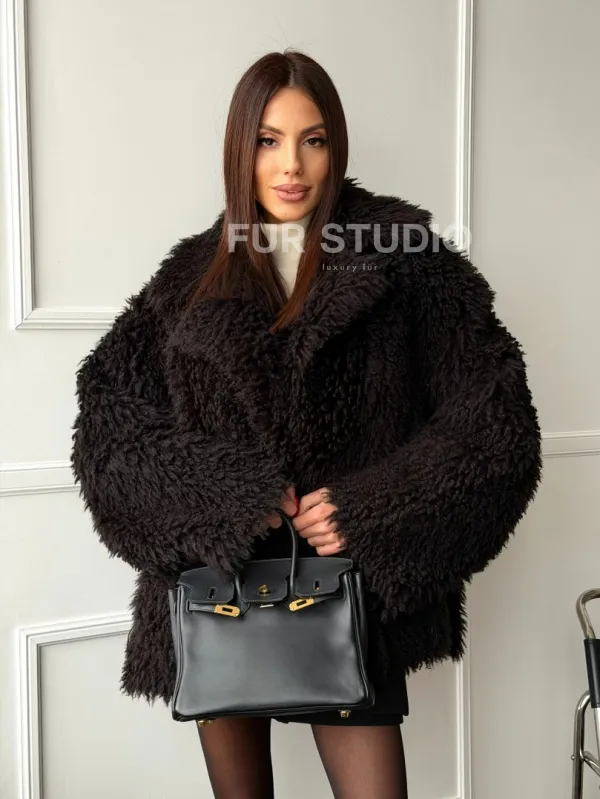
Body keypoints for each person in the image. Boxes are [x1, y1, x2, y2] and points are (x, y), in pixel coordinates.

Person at [70, 48, 542, 798]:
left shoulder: (408, 260)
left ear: (335, 146)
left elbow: (496, 426)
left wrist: (373, 508)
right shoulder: (189, 278)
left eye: (312, 139)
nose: (292, 165)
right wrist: (229, 497)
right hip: (217, 592)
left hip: (351, 588)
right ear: (241, 149)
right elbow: (109, 430)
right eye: (269, 140)